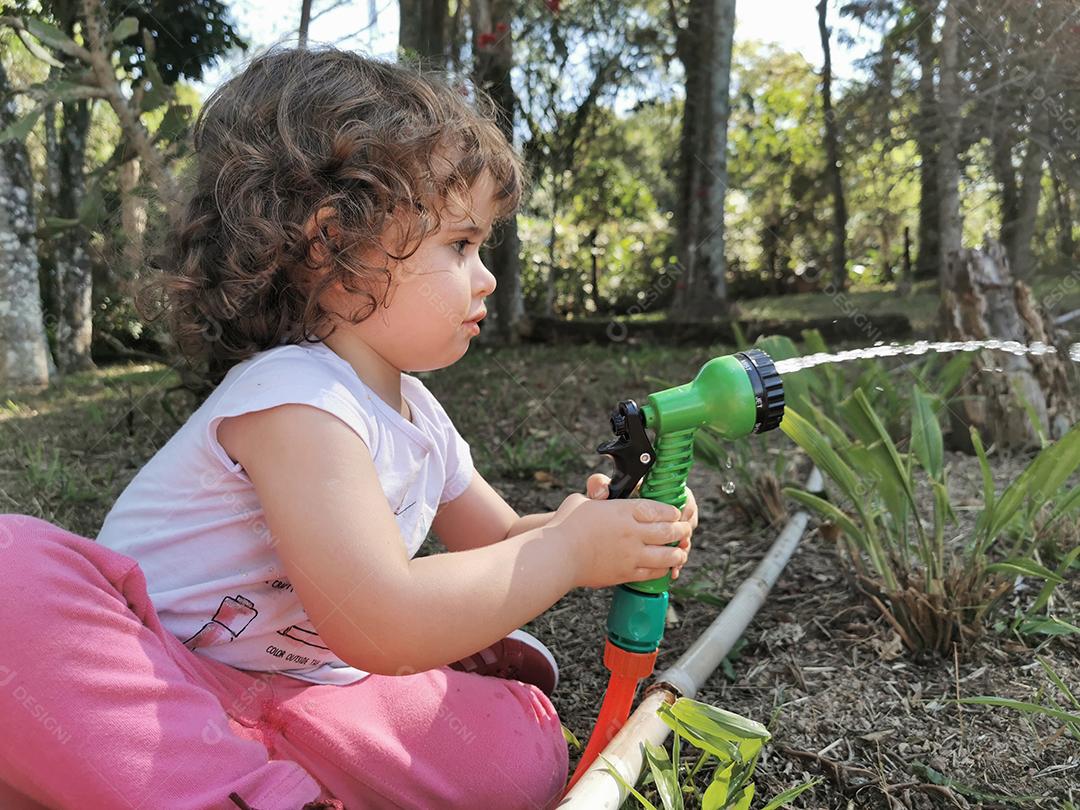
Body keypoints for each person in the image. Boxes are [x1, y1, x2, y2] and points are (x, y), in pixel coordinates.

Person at [0, 46, 697, 810]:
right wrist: (563, 552)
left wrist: (605, 530)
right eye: (460, 245)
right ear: (335, 245)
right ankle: (251, 789)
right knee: (10, 571)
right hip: (160, 681)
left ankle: (255, 777)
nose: (486, 276)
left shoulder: (422, 418)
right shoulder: (293, 400)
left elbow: (501, 541)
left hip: (305, 697)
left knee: (522, 754)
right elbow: (379, 620)